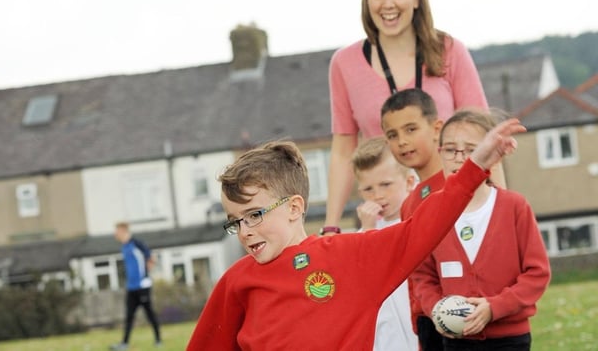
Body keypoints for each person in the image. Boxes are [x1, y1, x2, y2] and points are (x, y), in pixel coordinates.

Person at [187, 116, 525, 351]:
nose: (244, 231)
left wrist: (475, 164)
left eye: (254, 215)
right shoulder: (236, 282)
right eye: (235, 222)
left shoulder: (351, 257)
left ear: (293, 208)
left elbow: (422, 228)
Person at [324, 0, 488, 236]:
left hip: (455, 202)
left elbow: (483, 137)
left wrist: (497, 205)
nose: (388, 4)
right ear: (367, 1)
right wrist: (330, 226)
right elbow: (342, 152)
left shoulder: (449, 50)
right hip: (392, 216)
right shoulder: (344, 64)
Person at [412, 109, 551, 350]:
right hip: (456, 340)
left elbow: (537, 273)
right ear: (440, 152)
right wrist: (437, 308)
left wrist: (495, 307)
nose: (459, 157)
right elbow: (422, 277)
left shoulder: (514, 207)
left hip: (510, 340)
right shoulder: (430, 212)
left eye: (470, 150)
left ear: (492, 155)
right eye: (450, 149)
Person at [380, 88, 449, 350]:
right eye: (392, 135)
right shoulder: (409, 203)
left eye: (411, 129)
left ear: (436, 128)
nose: (402, 141)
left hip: (467, 313)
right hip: (427, 320)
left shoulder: (459, 186)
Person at [352, 137, 418, 350]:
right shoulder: (363, 235)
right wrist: (368, 230)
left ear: (408, 182)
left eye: (386, 185)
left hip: (420, 332)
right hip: (387, 340)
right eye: (368, 189)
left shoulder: (419, 221)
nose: (378, 195)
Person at [110, 222, 162, 350]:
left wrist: (145, 274)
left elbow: (151, 258)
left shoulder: (136, 244)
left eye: (116, 231)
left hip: (142, 287)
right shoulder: (124, 247)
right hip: (131, 287)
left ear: (123, 230)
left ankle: (158, 340)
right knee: (128, 316)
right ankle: (124, 343)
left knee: (149, 314)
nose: (115, 234)